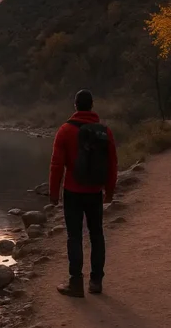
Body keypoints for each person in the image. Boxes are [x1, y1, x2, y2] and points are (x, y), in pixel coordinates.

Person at [48, 89, 119, 297]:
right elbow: (112, 164)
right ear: (92, 106)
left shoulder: (65, 130)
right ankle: (96, 282)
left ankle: (76, 283)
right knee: (97, 235)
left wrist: (53, 193)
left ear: (75, 106)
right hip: (95, 191)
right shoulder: (104, 131)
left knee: (74, 236)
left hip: (72, 191)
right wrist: (110, 191)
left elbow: (56, 165)